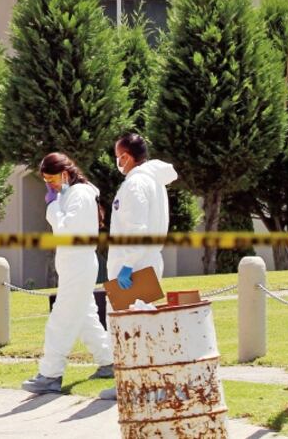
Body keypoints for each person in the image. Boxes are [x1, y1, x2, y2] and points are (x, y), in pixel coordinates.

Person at [21, 152, 115, 395]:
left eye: (51, 179)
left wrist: (52, 206)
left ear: (65, 173)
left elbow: (67, 233)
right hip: (75, 264)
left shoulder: (80, 195)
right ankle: (108, 361)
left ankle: (51, 374)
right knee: (85, 317)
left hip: (78, 263)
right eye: (45, 181)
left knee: (61, 319)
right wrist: (56, 203)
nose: (49, 185)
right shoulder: (71, 194)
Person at [98, 133, 177, 400]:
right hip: (145, 261)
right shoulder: (152, 182)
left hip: (134, 265)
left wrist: (127, 266)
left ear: (127, 156)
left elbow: (136, 230)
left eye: (118, 155)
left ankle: (133, 384)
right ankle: (142, 383)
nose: (117, 161)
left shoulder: (135, 185)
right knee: (142, 326)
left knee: (128, 329)